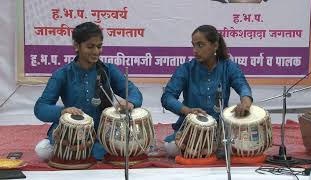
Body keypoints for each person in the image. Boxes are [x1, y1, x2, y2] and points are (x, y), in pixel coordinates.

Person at [34, 22, 143, 161]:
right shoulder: (63, 74)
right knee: (42, 151)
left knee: (119, 147)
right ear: (76, 46)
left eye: (99, 46)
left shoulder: (107, 70)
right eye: (90, 46)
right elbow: (40, 108)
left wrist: (130, 102)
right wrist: (63, 111)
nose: (96, 51)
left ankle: (87, 150)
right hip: (71, 132)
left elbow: (134, 92)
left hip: (101, 132)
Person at [161, 25, 252, 144]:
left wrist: (245, 102)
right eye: (193, 45)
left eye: (200, 45)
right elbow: (167, 97)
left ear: (215, 46)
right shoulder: (187, 69)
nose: (195, 50)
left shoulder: (228, 67)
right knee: (172, 147)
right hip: (191, 129)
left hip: (220, 130)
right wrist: (187, 110)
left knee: (245, 145)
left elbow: (242, 86)